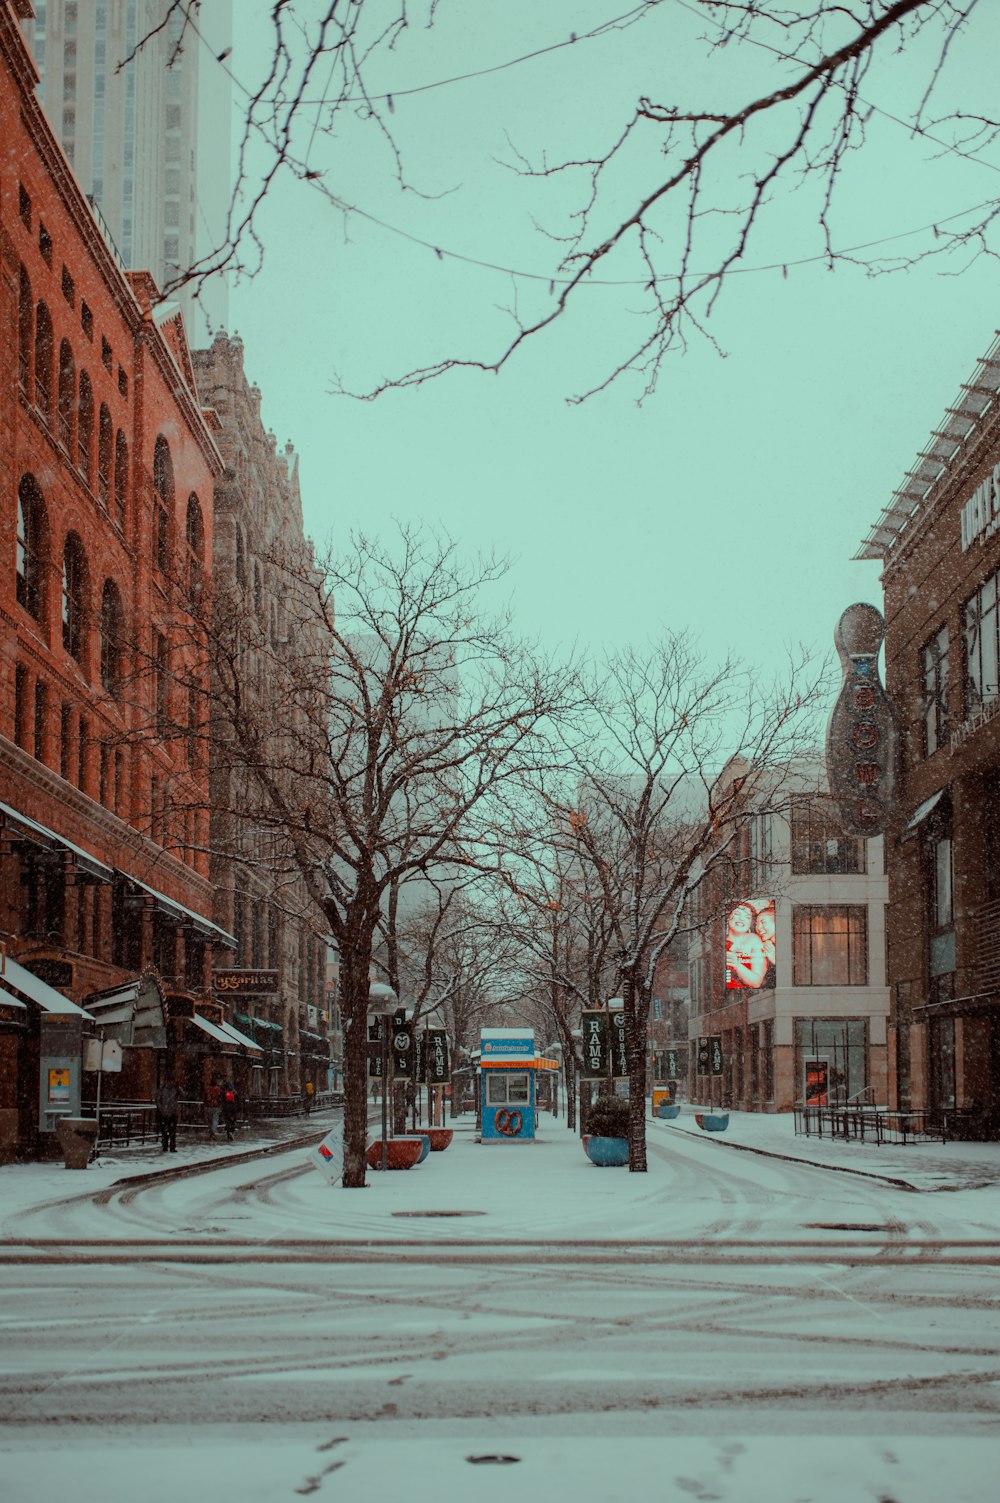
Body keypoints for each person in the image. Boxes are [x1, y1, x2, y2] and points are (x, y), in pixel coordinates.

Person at [725, 902, 767, 990]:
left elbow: (756, 982)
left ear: (751, 922)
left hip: (743, 993)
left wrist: (737, 965)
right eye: (737, 914)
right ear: (728, 917)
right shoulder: (720, 941)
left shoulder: (754, 940)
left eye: (747, 917)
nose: (741, 919)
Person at [755, 904, 777, 990]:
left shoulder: (790, 944)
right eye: (757, 924)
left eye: (763, 922)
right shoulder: (761, 946)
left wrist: (774, 960)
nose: (759, 928)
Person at [155, 1077, 179, 1153]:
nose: (170, 1083)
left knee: (172, 1131)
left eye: (172, 1081)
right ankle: (165, 1145)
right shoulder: (162, 1089)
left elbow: (183, 1095)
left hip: (173, 1113)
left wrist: (178, 1088)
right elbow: (158, 1099)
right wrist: (161, 1109)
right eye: (169, 1081)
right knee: (164, 1131)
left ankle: (172, 1146)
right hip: (164, 1114)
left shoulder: (176, 1089)